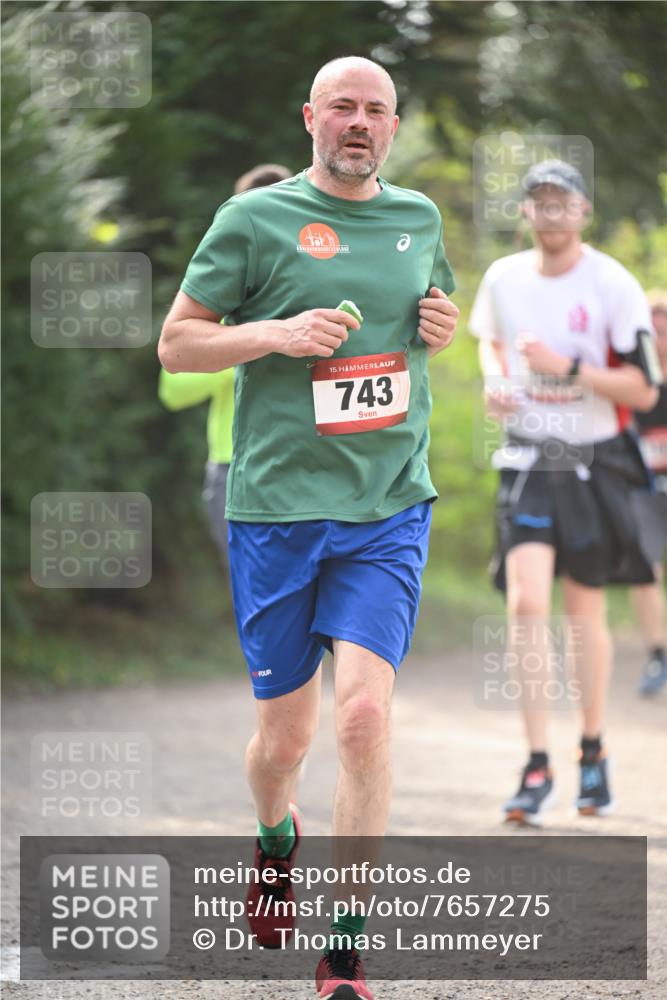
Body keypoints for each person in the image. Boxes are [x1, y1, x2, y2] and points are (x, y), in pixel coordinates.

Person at [158, 56, 458, 1000]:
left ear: (393, 127)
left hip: (387, 506)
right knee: (283, 742)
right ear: (310, 118)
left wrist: (440, 326)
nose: (358, 122)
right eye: (342, 107)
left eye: (375, 110)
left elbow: (428, 317)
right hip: (277, 512)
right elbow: (177, 343)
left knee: (363, 717)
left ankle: (345, 949)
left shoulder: (419, 219)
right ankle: (273, 836)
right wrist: (275, 334)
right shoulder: (252, 220)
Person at [470, 159, 658, 827]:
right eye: (538, 201)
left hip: (594, 462)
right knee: (525, 604)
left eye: (562, 200)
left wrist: (567, 368)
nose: (550, 211)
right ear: (525, 212)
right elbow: (491, 344)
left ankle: (592, 749)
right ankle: (535, 764)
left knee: (583, 613)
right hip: (527, 457)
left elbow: (644, 391)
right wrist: (495, 381)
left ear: (582, 211)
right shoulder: (502, 278)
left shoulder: (612, 283)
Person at [158, 164, 292, 569]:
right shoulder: (223, 293)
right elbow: (173, 389)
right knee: (256, 592)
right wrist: (245, 347)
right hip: (234, 468)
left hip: (306, 467)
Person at [632, 289, 667, 696]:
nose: (657, 340)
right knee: (644, 572)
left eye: (664, 332)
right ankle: (658, 654)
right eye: (651, 332)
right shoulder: (634, 382)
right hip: (645, 490)